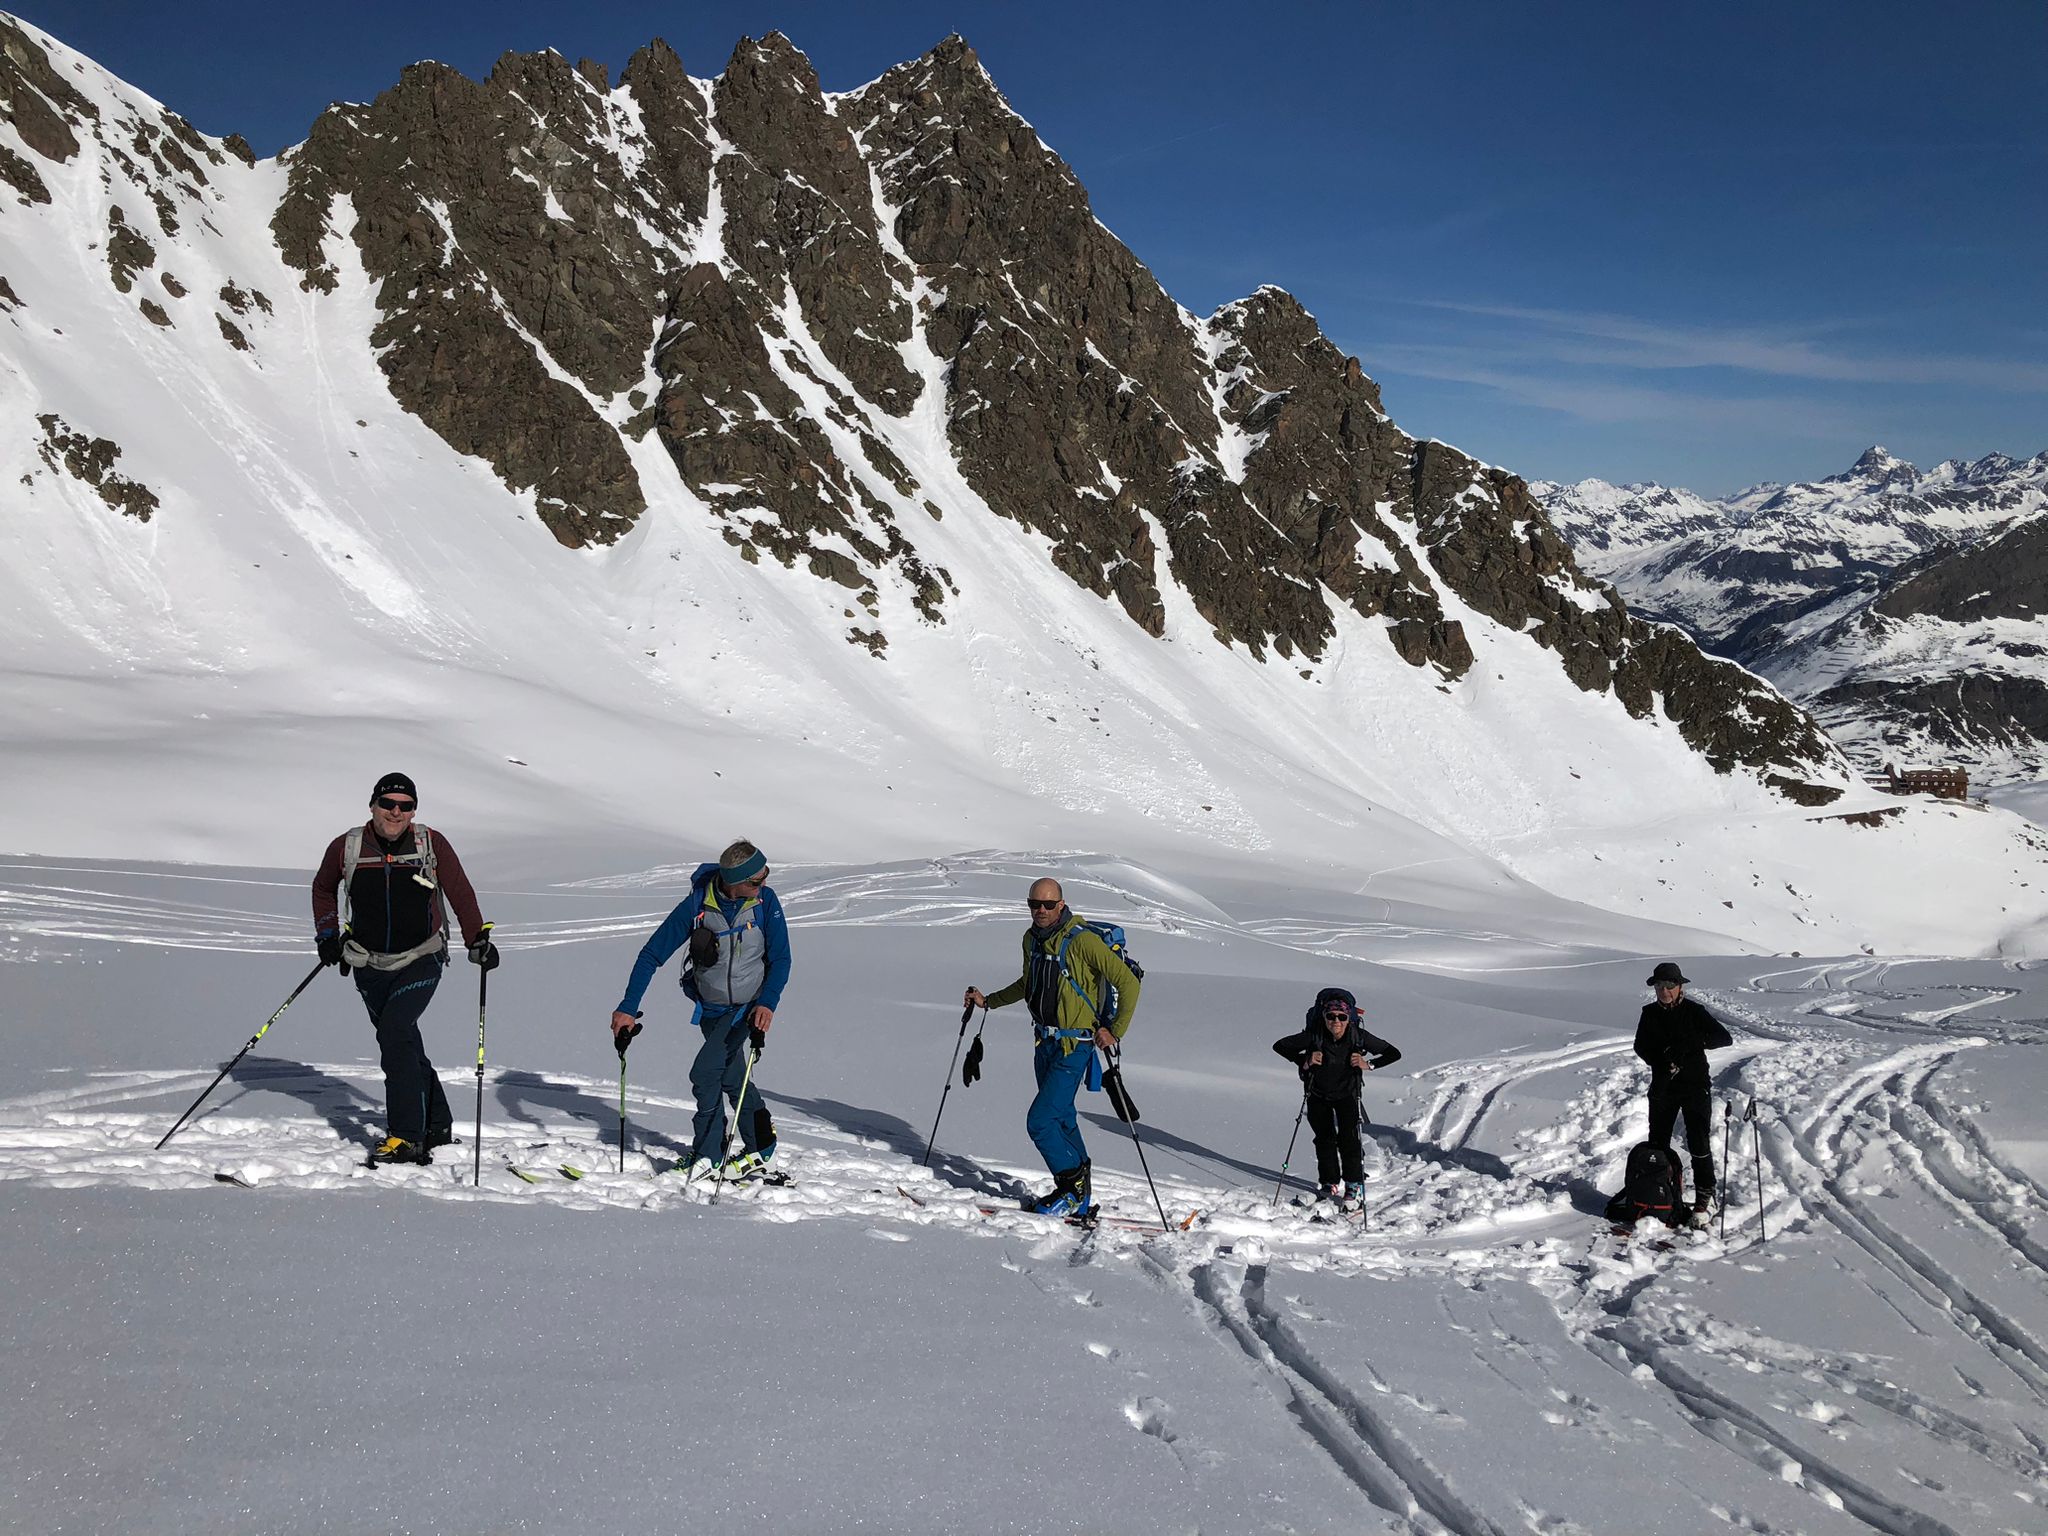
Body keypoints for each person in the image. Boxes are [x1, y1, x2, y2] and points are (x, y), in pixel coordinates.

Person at [312, 772, 498, 1165]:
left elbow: (460, 891)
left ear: (413, 810)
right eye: (388, 804)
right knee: (404, 1041)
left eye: (406, 805)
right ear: (373, 806)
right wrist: (328, 935)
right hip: (367, 962)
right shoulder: (348, 847)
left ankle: (406, 1136)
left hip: (422, 957)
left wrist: (476, 939)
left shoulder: (430, 844)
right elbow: (323, 887)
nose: (396, 812)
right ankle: (437, 1125)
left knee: (395, 1033)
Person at [611, 840, 791, 1180]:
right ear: (733, 881)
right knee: (731, 1076)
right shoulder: (697, 905)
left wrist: (767, 1003)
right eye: (756, 880)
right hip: (711, 1009)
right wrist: (628, 1007)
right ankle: (762, 1147)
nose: (764, 883)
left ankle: (708, 1155)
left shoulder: (765, 902)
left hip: (748, 1008)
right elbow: (651, 954)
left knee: (705, 1073)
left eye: (765, 874)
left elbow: (781, 958)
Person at [964, 877, 1142, 1218]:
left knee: (1040, 1121)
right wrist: (990, 1001)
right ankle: (1080, 1196)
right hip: (1043, 1043)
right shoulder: (1030, 939)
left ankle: (1071, 1189)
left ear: (1061, 904)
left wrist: (1115, 1031)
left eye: (1048, 904)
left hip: (1074, 1046)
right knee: (1061, 1117)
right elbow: (1028, 983)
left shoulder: (1083, 941)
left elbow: (1128, 983)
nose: (1041, 910)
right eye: (1035, 904)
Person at [1271, 987, 1400, 1212]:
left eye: (1341, 1017)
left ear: (1348, 1017)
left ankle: (1353, 1185)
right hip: (1317, 1094)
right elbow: (1280, 1046)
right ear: (1323, 1016)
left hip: (1347, 1095)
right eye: (1331, 1016)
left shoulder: (1358, 1036)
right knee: (1324, 1140)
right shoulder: (1314, 1035)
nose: (1336, 1021)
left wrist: (1368, 1064)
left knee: (1349, 1141)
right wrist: (1305, 1059)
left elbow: (1393, 1053)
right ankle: (1329, 1182)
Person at [1633, 962, 1732, 1214]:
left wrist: (1689, 1044)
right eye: (1659, 986)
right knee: (1658, 1144)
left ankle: (1705, 1193)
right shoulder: (1649, 1013)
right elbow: (1640, 1046)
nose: (1664, 991)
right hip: (1663, 1086)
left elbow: (1724, 1038)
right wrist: (1660, 1059)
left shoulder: (1694, 1012)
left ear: (1679, 986)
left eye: (1669, 985)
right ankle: (1658, 1192)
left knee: (1698, 1143)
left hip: (1694, 1086)